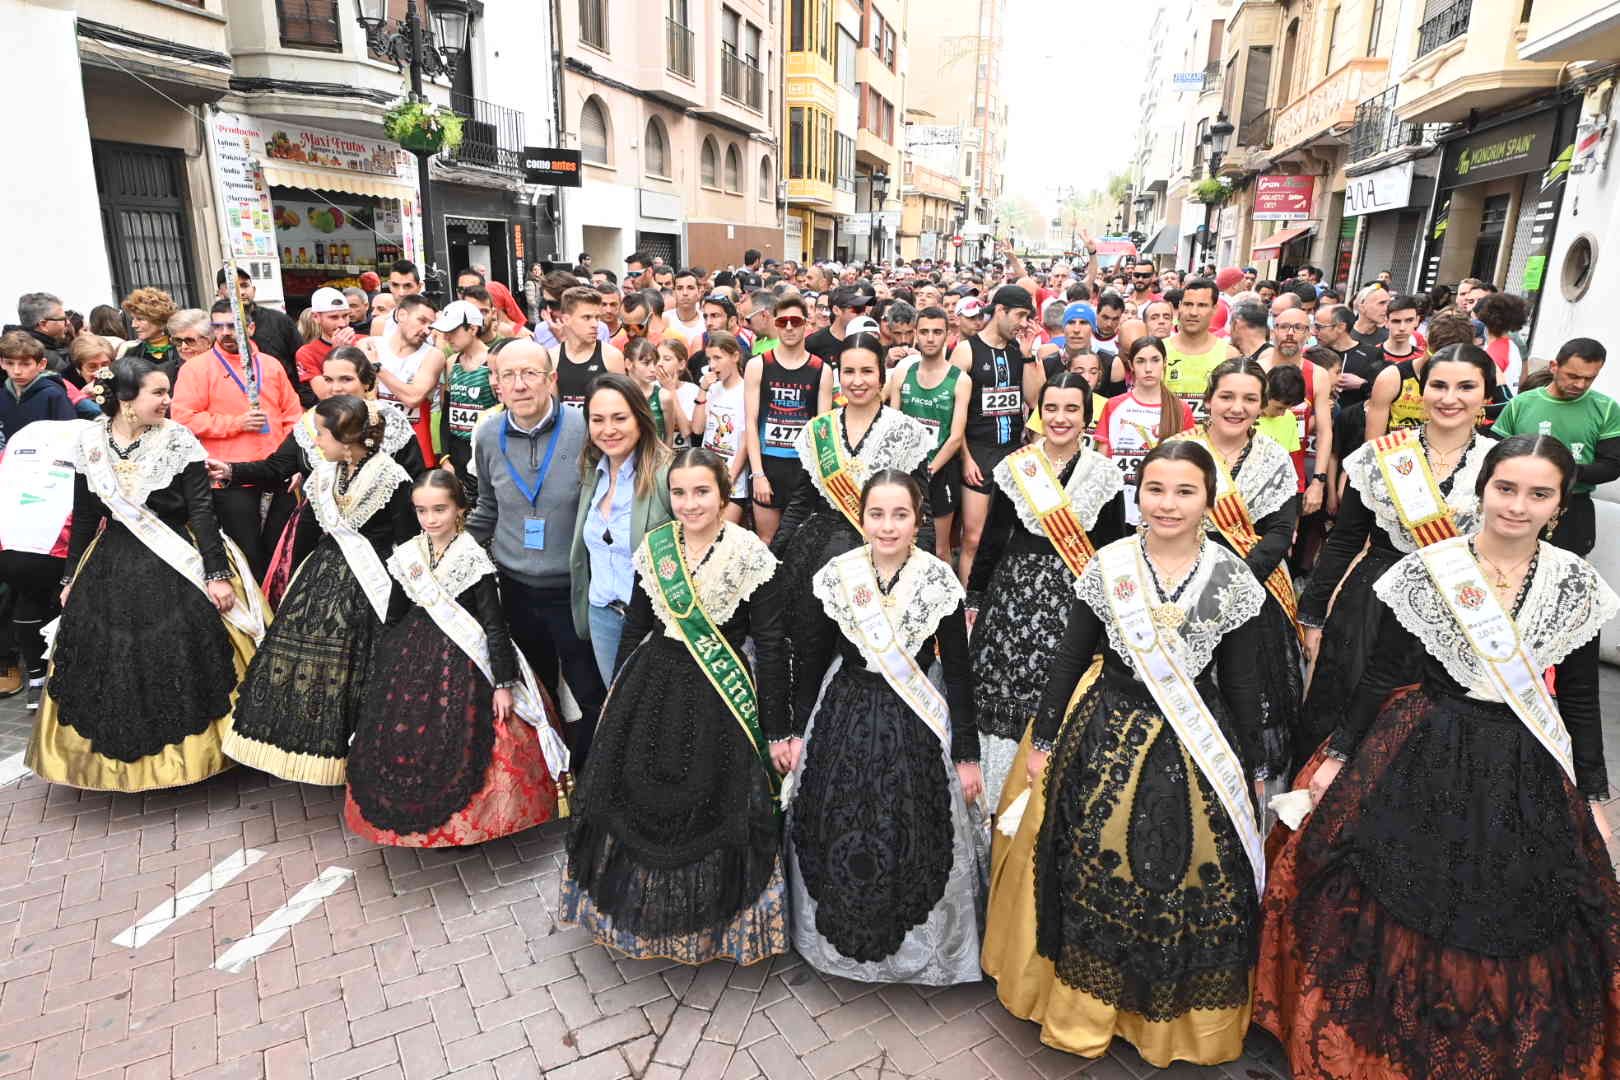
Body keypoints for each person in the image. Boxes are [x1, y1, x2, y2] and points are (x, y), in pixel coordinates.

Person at [1256, 435, 1620, 1079]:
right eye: (1506, 488)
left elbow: (1583, 702)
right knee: (1382, 889)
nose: (1517, 506)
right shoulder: (1430, 569)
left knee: (1519, 909)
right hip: (1422, 745)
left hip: (1522, 764)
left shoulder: (1576, 586)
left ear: (1559, 506)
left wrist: (1596, 797)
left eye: (1539, 494)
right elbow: (1383, 673)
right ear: (1483, 489)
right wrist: (1340, 753)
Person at [1005, 440, 1275, 1066]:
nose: (1168, 504)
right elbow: (1071, 656)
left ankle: (1169, 1024)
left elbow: (1241, 681)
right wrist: (1043, 739)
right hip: (1107, 730)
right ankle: (1085, 1011)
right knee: (1088, 865)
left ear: (1210, 499)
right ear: (1138, 494)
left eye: (1186, 491)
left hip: (1195, 742)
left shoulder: (1229, 577)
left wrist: (1254, 763)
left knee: (1187, 877)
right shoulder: (1110, 564)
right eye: (1156, 489)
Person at [561, 447, 789, 963]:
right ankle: (643, 915)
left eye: (702, 491)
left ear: (723, 493)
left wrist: (778, 729)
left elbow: (772, 646)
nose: (689, 504)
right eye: (680, 493)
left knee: (713, 804)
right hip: (653, 683)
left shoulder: (751, 555)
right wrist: (617, 690)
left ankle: (708, 921)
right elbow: (637, 626)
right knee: (637, 798)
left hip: (719, 696)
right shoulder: (656, 548)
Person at [784, 469, 984, 984]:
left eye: (901, 514)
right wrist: (797, 731)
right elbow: (811, 659)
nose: (889, 526)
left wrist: (966, 755)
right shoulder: (839, 574)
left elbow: (958, 673)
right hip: (845, 706)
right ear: (862, 516)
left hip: (916, 717)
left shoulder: (938, 580)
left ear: (919, 518)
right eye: (877, 514)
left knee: (915, 828)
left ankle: (921, 954)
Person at [27, 358, 263, 790]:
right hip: (111, 561)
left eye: (167, 391)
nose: (167, 400)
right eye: (158, 392)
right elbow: (83, 516)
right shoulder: (90, 443)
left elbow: (202, 511)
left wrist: (216, 573)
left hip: (176, 555)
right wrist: (69, 579)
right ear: (125, 400)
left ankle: (206, 756)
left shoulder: (178, 440)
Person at [343, 469, 568, 847]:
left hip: (465, 662)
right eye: (422, 511)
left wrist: (502, 684)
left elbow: (494, 626)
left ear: (460, 510)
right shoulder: (408, 555)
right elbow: (395, 614)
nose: (430, 520)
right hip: (411, 657)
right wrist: (385, 664)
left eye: (440, 510)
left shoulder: (473, 558)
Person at [1296, 343, 1495, 766]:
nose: (1449, 397)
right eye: (1438, 385)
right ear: (1420, 391)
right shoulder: (1383, 456)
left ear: (1486, 396)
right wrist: (1311, 614)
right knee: (1347, 711)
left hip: (1460, 603)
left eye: (1465, 387)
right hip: (1376, 598)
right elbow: (1347, 539)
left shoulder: (1500, 462)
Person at [221, 395, 415, 784]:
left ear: (347, 439)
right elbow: (308, 529)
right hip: (320, 578)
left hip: (371, 580)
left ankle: (359, 755)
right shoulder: (324, 474)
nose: (316, 442)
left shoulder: (391, 477)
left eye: (322, 434)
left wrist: (402, 600)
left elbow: (407, 539)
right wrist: (295, 583)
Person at [966, 374, 1122, 807]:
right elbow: (991, 539)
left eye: (1072, 409)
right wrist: (976, 598)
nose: (1060, 418)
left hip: (1074, 604)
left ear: (1087, 418)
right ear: (1039, 412)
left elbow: (1109, 552)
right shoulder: (1018, 468)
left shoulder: (1104, 476)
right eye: (1051, 408)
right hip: (1011, 603)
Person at [467, 340, 606, 768]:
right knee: (537, 687)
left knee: (589, 689)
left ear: (552, 380)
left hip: (574, 587)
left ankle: (593, 777)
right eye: (508, 375)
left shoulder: (587, 429)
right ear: (496, 383)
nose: (519, 384)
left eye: (530, 374)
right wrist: (448, 555)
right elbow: (487, 507)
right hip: (515, 587)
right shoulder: (487, 434)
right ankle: (551, 773)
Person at [771, 334, 935, 668]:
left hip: (881, 557)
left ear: (881, 376)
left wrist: (920, 571)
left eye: (866, 372)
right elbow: (801, 501)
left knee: (865, 664)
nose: (857, 381)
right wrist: (776, 555)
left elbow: (921, 510)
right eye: (849, 372)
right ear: (838, 375)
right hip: (816, 558)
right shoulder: (818, 431)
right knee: (808, 659)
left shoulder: (906, 431)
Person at [1172, 359, 1304, 746]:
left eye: (1249, 398)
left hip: (1253, 588)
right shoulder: (1180, 451)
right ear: (1208, 400)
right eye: (1226, 396)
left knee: (1247, 692)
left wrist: (1233, 585)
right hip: (1181, 583)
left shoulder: (1274, 458)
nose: (1236, 407)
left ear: (1261, 405)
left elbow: (1281, 533)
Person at [170, 300, 302, 580]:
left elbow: (293, 415)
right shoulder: (196, 369)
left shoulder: (271, 364)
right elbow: (183, 419)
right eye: (218, 326)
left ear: (251, 327)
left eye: (233, 325)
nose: (225, 332)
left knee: (281, 556)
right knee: (247, 558)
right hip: (229, 478)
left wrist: (293, 462)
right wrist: (236, 424)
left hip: (277, 474)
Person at [571, 373, 673, 686]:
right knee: (616, 710)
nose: (608, 430)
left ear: (640, 418)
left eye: (619, 418)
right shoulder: (592, 472)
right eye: (597, 419)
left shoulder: (667, 475)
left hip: (653, 624)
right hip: (602, 616)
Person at [1491, 337, 1620, 556]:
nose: (1580, 385)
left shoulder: (1606, 408)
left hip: (1573, 511)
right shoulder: (1521, 404)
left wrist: (1561, 473)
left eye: (1589, 378)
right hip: (1517, 506)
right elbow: (1493, 455)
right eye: (1573, 376)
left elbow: (1611, 467)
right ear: (1554, 366)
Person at [952, 284, 1043, 586]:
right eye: (1020, 316)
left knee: (1008, 537)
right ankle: (967, 607)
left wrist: (1029, 356)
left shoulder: (1021, 351)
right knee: (973, 538)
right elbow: (954, 415)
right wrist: (965, 457)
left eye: (1028, 317)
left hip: (1012, 453)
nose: (1024, 324)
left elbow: (1035, 401)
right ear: (1000, 311)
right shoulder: (967, 350)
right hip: (977, 453)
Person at [744, 296, 833, 544]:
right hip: (769, 466)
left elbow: (821, 429)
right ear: (775, 324)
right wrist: (758, 474)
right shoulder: (758, 366)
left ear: (807, 324)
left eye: (796, 321)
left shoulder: (821, 370)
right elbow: (750, 423)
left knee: (801, 544)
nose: (790, 327)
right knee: (767, 542)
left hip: (803, 471)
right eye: (783, 322)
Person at [888, 305, 969, 562]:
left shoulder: (960, 379)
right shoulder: (903, 371)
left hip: (940, 471)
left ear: (947, 334)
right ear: (915, 334)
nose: (930, 338)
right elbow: (893, 424)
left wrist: (930, 469)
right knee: (901, 540)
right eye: (924, 332)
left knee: (939, 547)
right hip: (905, 470)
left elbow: (956, 436)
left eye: (937, 332)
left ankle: (945, 601)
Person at [1094, 336, 1193, 532]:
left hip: (1164, 507)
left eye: (1155, 360)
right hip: (1119, 506)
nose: (1148, 368)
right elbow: (1102, 459)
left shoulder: (1181, 409)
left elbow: (1188, 464)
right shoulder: (1114, 405)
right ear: (1131, 365)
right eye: (1141, 361)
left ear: (1165, 363)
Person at [360, 294, 444, 465]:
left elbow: (413, 398)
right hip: (375, 440)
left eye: (431, 325)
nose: (426, 330)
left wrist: (377, 368)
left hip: (415, 444)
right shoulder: (369, 345)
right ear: (401, 315)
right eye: (422, 320)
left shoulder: (433, 355)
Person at [691, 332, 749, 523]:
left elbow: (746, 441)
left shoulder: (746, 391)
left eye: (718, 358)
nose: (712, 365)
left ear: (735, 356)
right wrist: (703, 390)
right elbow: (697, 429)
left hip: (733, 481)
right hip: (707, 474)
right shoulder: (713, 388)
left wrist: (729, 478)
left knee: (723, 540)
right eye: (709, 359)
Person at [1163, 279, 1239, 421]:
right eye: (1188, 304)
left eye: (1202, 305)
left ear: (1214, 309)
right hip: (1168, 439)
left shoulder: (1229, 355)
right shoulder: (1160, 350)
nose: (1193, 312)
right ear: (1179, 307)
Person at [436, 300, 496, 480]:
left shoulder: (493, 361)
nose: (447, 337)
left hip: (485, 452)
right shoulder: (451, 362)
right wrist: (444, 457)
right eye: (445, 332)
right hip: (456, 453)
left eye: (453, 331)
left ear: (472, 328)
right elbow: (446, 411)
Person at [220, 268, 301, 391]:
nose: (241, 292)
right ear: (220, 293)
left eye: (244, 285)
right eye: (233, 287)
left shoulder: (279, 321)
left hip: (284, 396)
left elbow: (300, 360)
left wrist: (303, 401)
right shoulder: (218, 329)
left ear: (254, 290)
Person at [1362, 293, 1431, 439]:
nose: (1402, 327)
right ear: (1386, 322)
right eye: (1396, 321)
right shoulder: (1369, 354)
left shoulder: (1423, 359)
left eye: (1409, 320)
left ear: (1417, 321)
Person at [549, 285, 625, 412]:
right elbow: (552, 410)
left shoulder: (611, 356)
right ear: (566, 319)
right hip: (568, 430)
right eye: (587, 318)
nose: (595, 325)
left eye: (597, 318)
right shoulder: (552, 357)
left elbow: (622, 405)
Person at [1, 331, 76, 437]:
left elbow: (69, 435)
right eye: (10, 363)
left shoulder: (53, 395)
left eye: (25, 364)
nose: (16, 371)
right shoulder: (2, 395)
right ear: (2, 363)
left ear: (42, 364)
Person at [293, 287, 359, 406]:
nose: (342, 323)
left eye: (345, 316)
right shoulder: (307, 353)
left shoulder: (364, 341)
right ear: (316, 317)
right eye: (333, 317)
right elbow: (326, 395)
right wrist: (338, 353)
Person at [623, 337, 689, 445]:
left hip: (656, 458)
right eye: (646, 363)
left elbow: (669, 439)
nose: (653, 369)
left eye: (654, 363)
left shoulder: (663, 396)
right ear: (629, 364)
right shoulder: (616, 395)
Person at [116, 288, 180, 384]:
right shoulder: (132, 354)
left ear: (159, 319)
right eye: (133, 319)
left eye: (140, 319)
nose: (134, 325)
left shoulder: (181, 349)